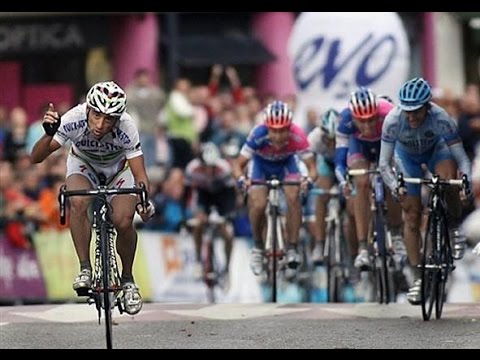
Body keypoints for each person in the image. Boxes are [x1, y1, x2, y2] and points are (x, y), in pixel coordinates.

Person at [30, 81, 155, 315]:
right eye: (96, 115)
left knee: (123, 221)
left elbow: (140, 174)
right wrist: (48, 135)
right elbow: (36, 158)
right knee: (77, 201)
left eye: (109, 119)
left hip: (118, 170)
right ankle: (85, 268)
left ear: (118, 118)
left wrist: (143, 200)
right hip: (83, 164)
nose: (100, 124)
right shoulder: (73, 119)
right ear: (88, 109)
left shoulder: (127, 126)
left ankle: (128, 279)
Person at [379, 77, 473, 305]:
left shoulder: (441, 118)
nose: (410, 117)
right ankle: (418, 277)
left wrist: (465, 181)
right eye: (406, 111)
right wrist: (395, 186)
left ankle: (452, 227)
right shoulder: (392, 121)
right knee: (411, 215)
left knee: (446, 180)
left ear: (427, 107)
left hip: (436, 152)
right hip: (407, 158)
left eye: (416, 112)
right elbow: (384, 163)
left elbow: (461, 157)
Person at [232, 100, 317, 275]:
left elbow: (312, 168)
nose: (278, 136)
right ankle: (257, 247)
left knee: (293, 196)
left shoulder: (298, 135)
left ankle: (292, 248)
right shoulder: (257, 134)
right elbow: (237, 165)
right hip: (261, 167)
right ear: (266, 127)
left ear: (290, 127)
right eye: (274, 131)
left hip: (287, 165)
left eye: (283, 130)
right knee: (258, 204)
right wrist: (241, 179)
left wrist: (307, 180)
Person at [335, 87, 403, 270]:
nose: (367, 126)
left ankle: (396, 234)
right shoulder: (344, 120)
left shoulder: (389, 112)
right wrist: (343, 181)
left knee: (391, 180)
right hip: (360, 149)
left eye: (371, 120)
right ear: (353, 117)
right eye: (361, 121)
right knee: (361, 181)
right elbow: (340, 161)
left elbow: (402, 149)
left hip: (385, 145)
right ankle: (363, 247)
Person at [185, 142, 236, 285]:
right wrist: (188, 213)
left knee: (227, 232)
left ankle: (227, 267)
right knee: (198, 224)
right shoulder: (192, 169)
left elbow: (230, 194)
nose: (208, 171)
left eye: (211, 167)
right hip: (203, 195)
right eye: (205, 167)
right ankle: (197, 260)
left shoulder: (224, 169)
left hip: (221, 196)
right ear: (200, 163)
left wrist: (228, 215)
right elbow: (188, 193)